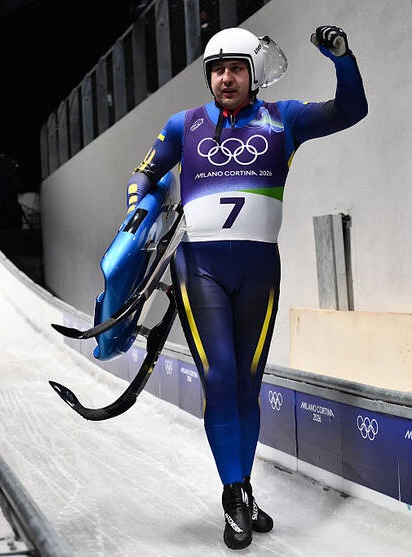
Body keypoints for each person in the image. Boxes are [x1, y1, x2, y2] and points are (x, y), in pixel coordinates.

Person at [123, 26, 366, 549]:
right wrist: (137, 202)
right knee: (220, 378)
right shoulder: (182, 125)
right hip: (199, 268)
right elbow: (145, 173)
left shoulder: (285, 119)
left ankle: (244, 486)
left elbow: (351, 111)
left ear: (254, 74)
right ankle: (233, 495)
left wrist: (342, 60)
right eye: (216, 69)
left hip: (259, 269)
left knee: (247, 386)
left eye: (235, 68)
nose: (225, 78)